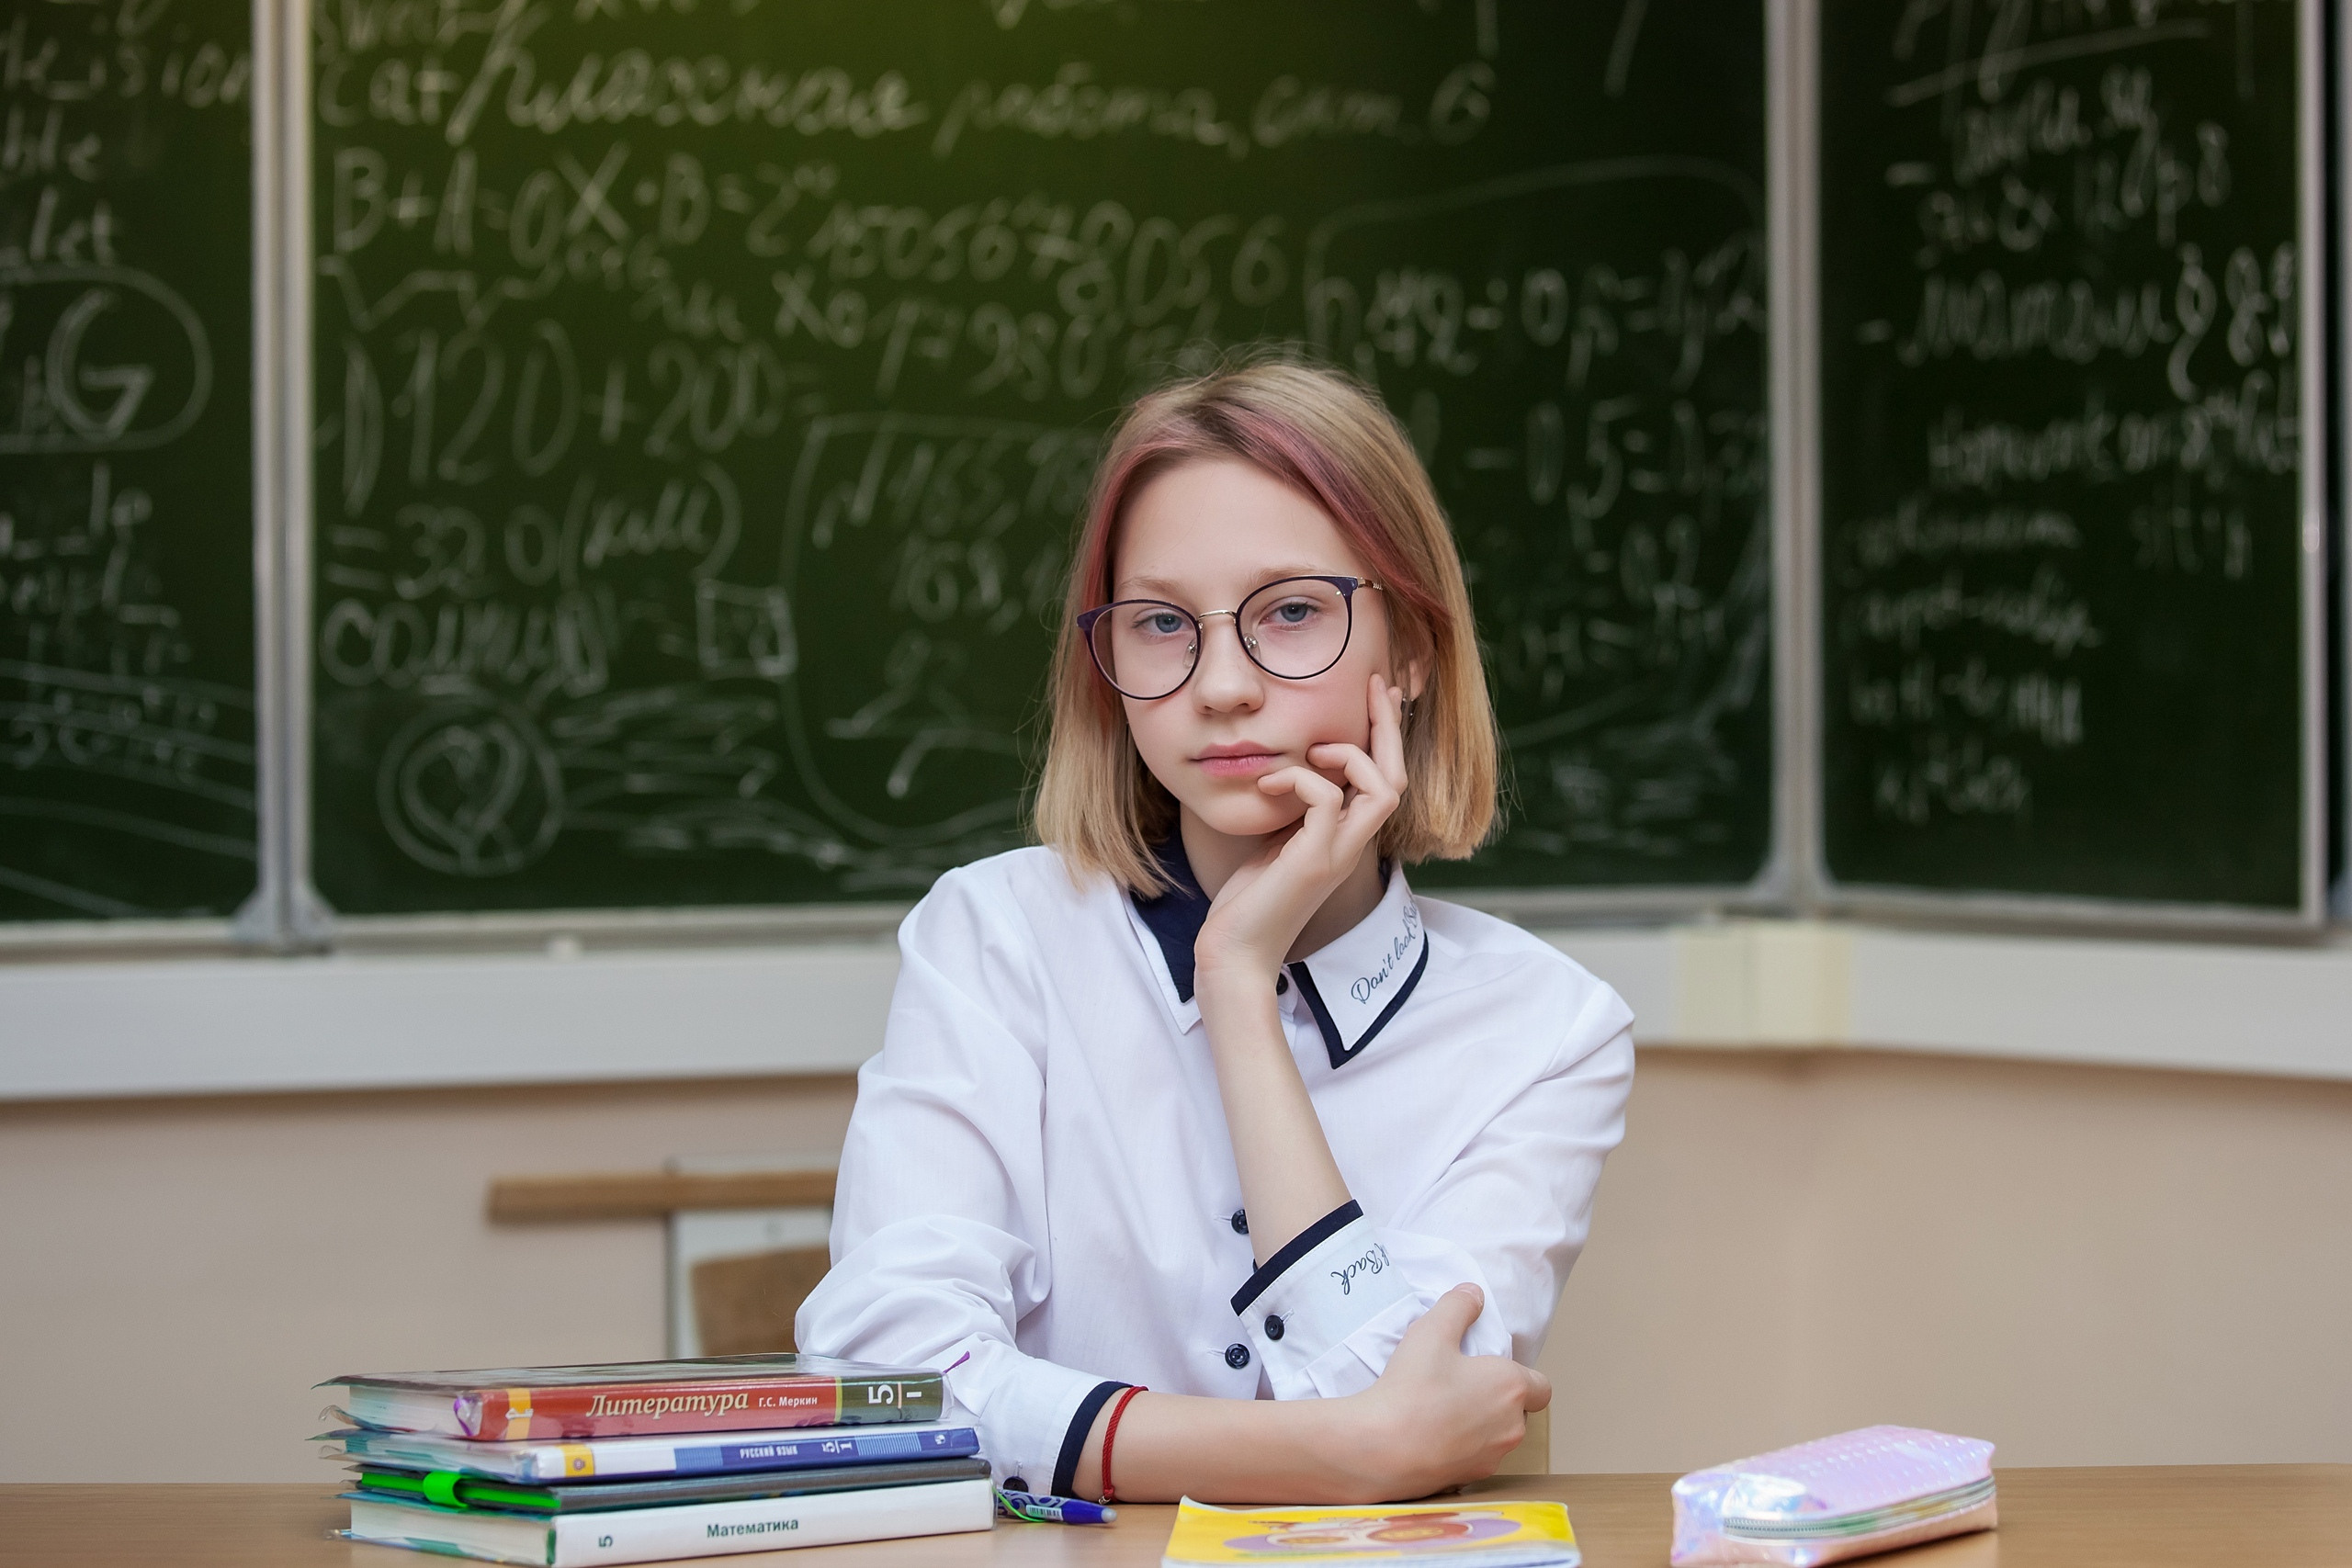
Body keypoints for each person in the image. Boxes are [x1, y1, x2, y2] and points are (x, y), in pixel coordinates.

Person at [796, 359, 1634, 1504]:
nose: (1222, 684)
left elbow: (1409, 1395)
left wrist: (1238, 987)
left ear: (1415, 651)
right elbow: (884, 1375)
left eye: (1290, 612)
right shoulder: (997, 937)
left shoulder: (1549, 1030)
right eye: (1159, 623)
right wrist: (1341, 1451)